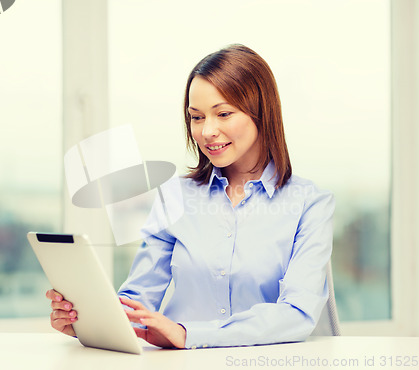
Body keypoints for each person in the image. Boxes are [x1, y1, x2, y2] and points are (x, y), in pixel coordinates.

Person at [46, 44, 335, 349]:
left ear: (261, 113)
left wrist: (189, 335)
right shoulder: (175, 196)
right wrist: (88, 320)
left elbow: (297, 315)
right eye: (196, 117)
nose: (207, 130)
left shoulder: (310, 204)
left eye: (223, 113)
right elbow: (138, 298)